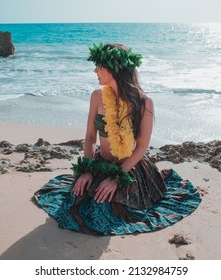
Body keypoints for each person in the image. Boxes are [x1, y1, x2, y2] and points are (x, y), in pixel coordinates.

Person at [33, 43, 201, 235]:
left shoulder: (144, 103)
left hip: (129, 168)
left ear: (114, 69)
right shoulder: (97, 96)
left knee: (106, 209)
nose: (95, 70)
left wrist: (116, 178)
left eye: (99, 66)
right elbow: (89, 137)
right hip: (100, 163)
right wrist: (87, 170)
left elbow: (142, 147)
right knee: (79, 198)